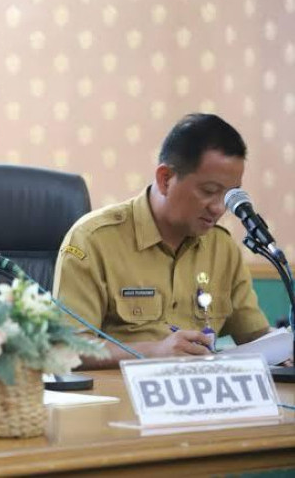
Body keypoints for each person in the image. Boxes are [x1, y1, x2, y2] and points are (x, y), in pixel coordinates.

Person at [53, 113, 272, 369]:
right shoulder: (93, 240)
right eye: (209, 191)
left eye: (229, 195)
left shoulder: (222, 248)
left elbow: (255, 337)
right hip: (121, 392)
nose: (218, 208)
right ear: (165, 179)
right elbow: (66, 348)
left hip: (201, 391)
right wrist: (153, 351)